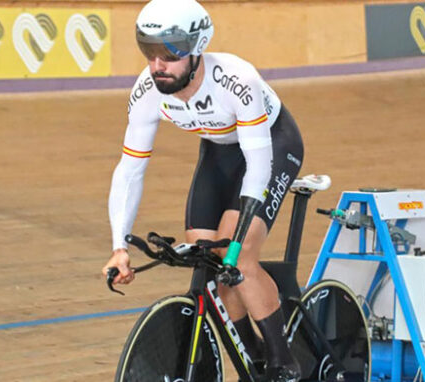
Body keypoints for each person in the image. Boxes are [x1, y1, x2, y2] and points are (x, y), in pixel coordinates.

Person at [101, 0, 304, 380]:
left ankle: (283, 362)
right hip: (219, 151)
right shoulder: (148, 90)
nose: (158, 65)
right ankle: (253, 353)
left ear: (197, 48)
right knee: (207, 262)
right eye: (149, 51)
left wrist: (239, 242)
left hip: (270, 144)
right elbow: (130, 170)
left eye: (170, 52)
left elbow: (259, 165)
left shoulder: (236, 78)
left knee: (235, 256)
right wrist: (118, 248)